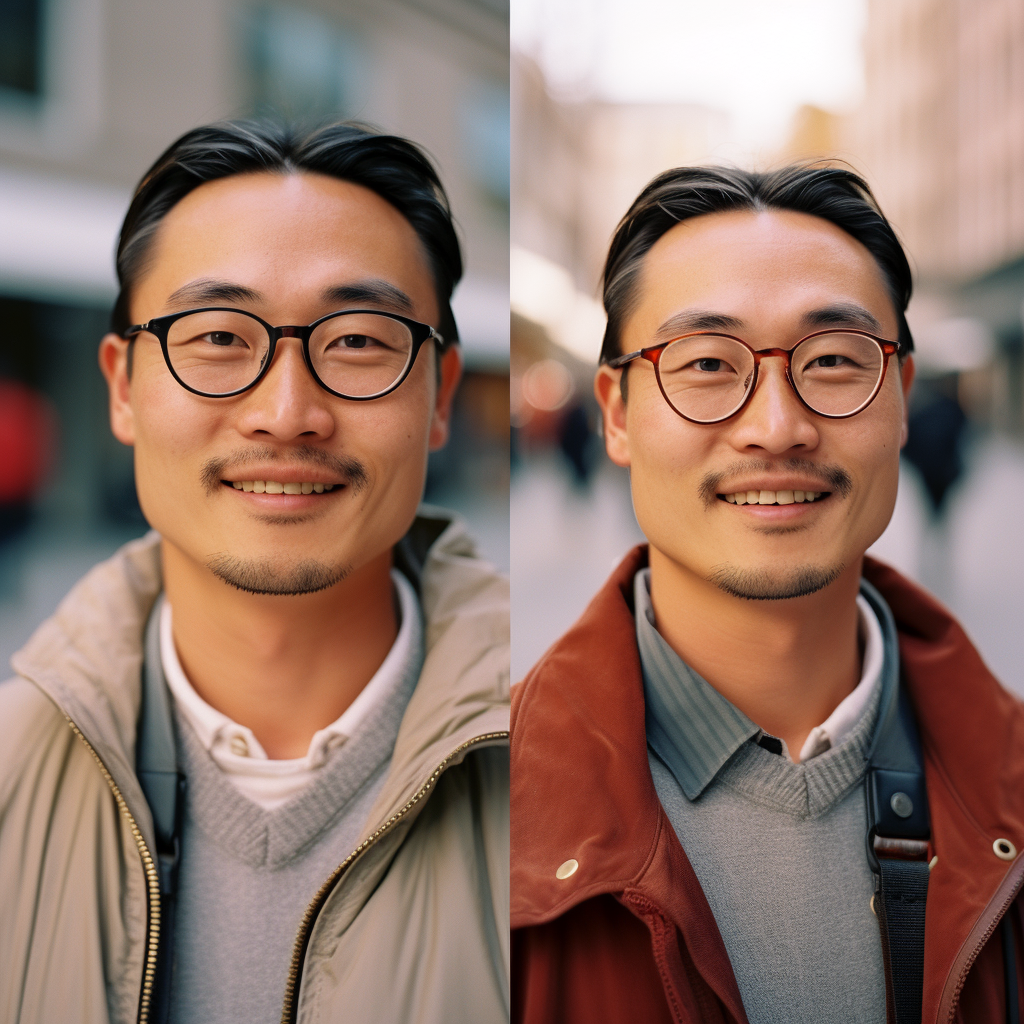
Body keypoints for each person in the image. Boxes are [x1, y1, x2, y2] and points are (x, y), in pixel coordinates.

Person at [0, 120, 510, 1024]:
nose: (286, 412)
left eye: (357, 341)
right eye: (218, 338)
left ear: (439, 395)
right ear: (122, 388)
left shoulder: (576, 784)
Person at [511, 166, 1024, 1024]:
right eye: (707, 363)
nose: (777, 426)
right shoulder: (473, 835)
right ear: (618, 414)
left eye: (831, 361)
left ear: (900, 399)